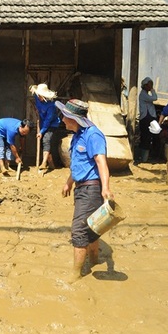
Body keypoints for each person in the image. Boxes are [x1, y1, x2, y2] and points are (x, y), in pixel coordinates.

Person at [57, 99, 113, 283]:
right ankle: (94, 260)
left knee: (79, 230)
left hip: (91, 188)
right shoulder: (77, 135)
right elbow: (78, 165)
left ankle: (77, 273)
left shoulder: (93, 135)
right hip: (82, 188)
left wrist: (106, 187)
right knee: (91, 227)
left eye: (65, 117)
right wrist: (68, 183)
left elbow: (101, 163)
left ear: (73, 118)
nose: (63, 120)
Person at [30, 83, 62, 170]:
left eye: (40, 95)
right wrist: (37, 110)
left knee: (46, 139)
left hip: (52, 124)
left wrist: (41, 132)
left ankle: (44, 163)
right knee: (42, 143)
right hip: (42, 121)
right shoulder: (37, 97)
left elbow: (48, 121)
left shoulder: (51, 106)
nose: (39, 97)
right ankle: (50, 163)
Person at [137, 77, 159, 164]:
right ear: (145, 85)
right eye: (150, 85)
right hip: (146, 118)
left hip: (149, 117)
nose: (151, 86)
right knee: (146, 137)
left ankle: (149, 155)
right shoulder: (143, 94)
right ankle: (144, 157)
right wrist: (153, 90)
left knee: (151, 136)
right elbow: (155, 98)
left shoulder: (145, 94)